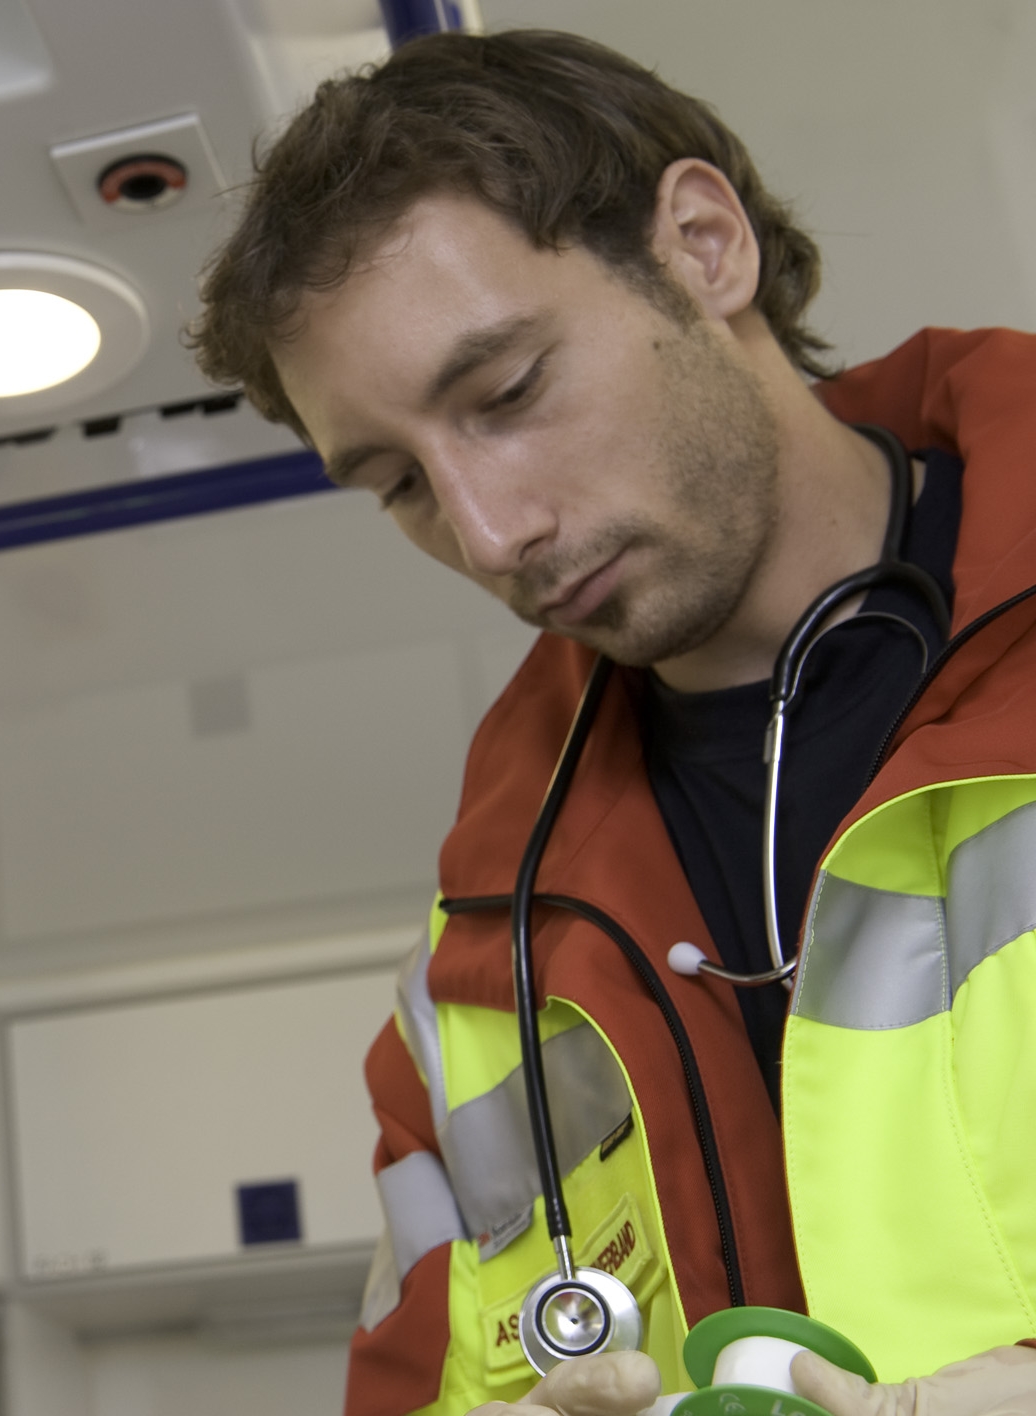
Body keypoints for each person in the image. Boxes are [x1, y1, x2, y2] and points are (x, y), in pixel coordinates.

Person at [193, 28, 1036, 1416]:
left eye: (509, 394)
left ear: (705, 246)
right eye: (398, 483)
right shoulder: (468, 999)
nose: (488, 532)